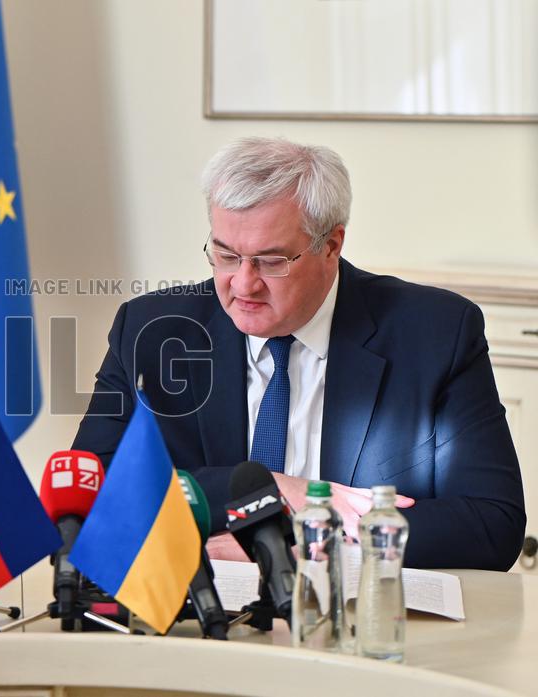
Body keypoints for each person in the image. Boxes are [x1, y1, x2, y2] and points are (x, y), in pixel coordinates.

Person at [73, 137, 525, 570]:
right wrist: (267, 491)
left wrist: (304, 541)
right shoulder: (151, 332)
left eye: (271, 262)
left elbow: (492, 524)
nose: (243, 284)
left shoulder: (435, 333)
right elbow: (88, 489)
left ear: (331, 245)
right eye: (226, 256)